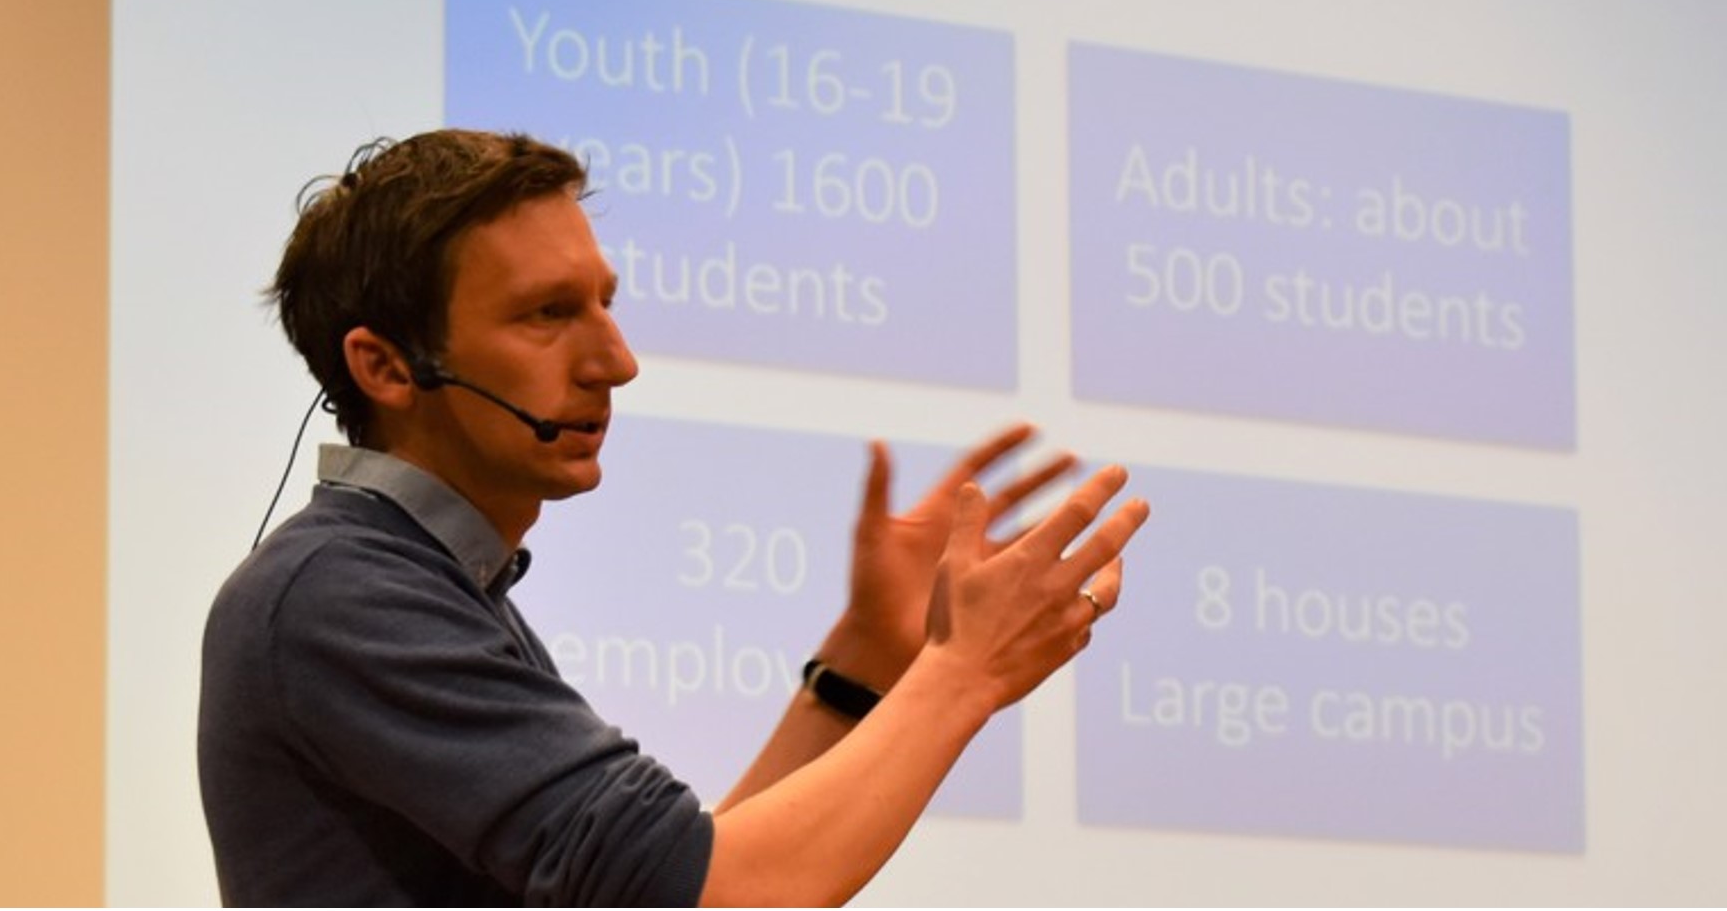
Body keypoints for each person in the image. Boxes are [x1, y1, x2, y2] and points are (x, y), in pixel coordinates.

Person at [198, 129, 1147, 906]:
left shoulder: (429, 579)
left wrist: (861, 664)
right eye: (546, 314)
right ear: (388, 368)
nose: (616, 360)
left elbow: (672, 882)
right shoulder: (341, 593)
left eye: (605, 305)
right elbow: (718, 897)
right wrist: (963, 674)